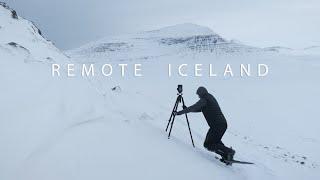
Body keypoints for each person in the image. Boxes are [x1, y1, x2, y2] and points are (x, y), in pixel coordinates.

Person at [174, 86, 235, 161]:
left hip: (217, 125)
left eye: (198, 95)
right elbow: (199, 109)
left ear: (201, 93)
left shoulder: (204, 100)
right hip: (221, 124)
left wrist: (178, 113)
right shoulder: (210, 97)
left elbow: (194, 107)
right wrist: (186, 109)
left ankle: (229, 152)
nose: (198, 96)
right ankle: (227, 155)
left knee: (208, 144)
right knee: (215, 142)